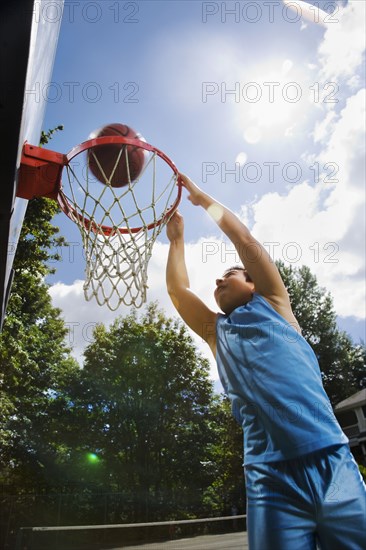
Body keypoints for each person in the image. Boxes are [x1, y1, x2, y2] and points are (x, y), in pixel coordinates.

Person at [166, 173, 366, 550]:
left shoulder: (274, 304)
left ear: (254, 282)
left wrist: (200, 197)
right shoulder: (216, 332)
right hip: (269, 479)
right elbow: (179, 291)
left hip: (332, 463)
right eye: (218, 278)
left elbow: (244, 240)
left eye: (229, 274)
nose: (219, 280)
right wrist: (177, 241)